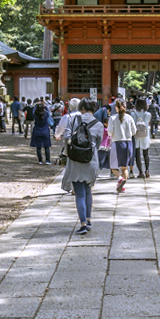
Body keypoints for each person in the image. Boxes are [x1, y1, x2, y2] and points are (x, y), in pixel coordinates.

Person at [57, 99, 105, 234]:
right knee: (88, 189)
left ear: (82, 107)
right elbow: (98, 142)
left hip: (76, 159)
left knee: (79, 193)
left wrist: (67, 153)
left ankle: (83, 223)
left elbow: (67, 137)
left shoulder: (73, 120)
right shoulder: (99, 124)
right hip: (91, 159)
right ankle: (88, 219)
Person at [108, 98, 137, 191]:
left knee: (113, 167)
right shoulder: (130, 118)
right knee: (124, 168)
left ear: (116, 107)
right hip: (128, 143)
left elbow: (110, 132)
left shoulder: (112, 118)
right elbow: (134, 132)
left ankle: (120, 179)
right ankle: (122, 186)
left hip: (117, 143)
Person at [132, 97, 152, 179]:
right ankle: (147, 170)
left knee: (137, 154)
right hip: (145, 135)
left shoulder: (133, 114)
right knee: (146, 153)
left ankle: (140, 172)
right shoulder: (148, 114)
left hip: (136, 135)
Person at [30, 99, 54, 164]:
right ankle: (47, 160)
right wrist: (44, 105)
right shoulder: (46, 114)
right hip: (45, 131)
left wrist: (37, 105)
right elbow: (48, 111)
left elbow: (33, 111)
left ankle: (40, 160)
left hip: (37, 131)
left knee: (38, 147)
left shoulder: (35, 115)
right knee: (46, 147)